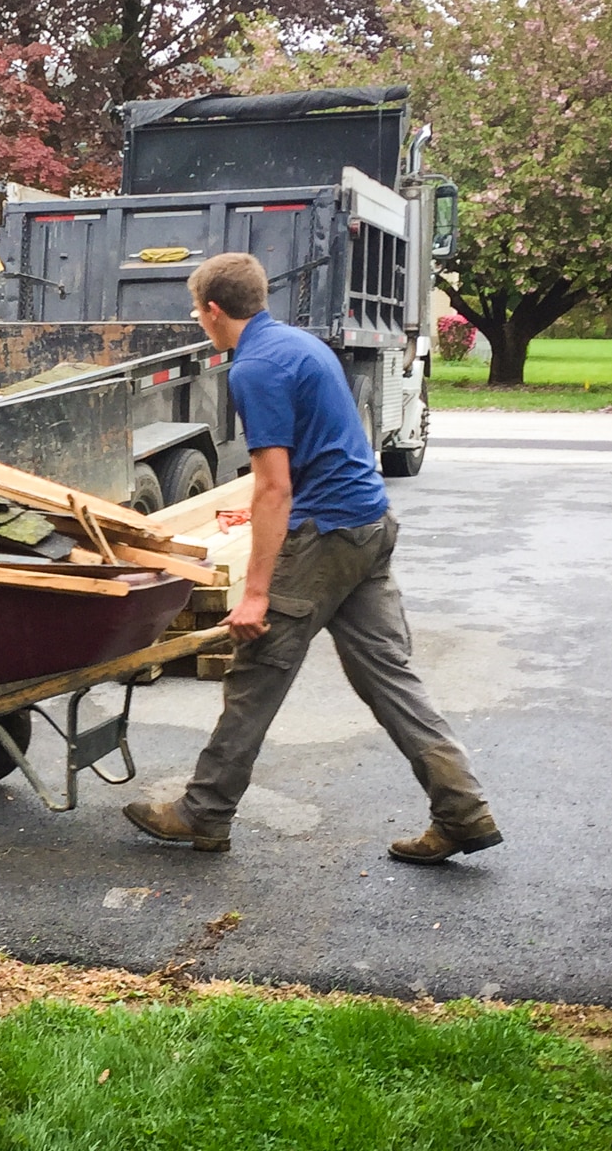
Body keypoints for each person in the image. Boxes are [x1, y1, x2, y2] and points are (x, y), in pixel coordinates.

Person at [122, 253, 501, 864]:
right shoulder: (300, 345)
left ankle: (204, 811)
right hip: (369, 525)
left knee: (256, 674)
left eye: (198, 310)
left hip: (326, 536)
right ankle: (463, 810)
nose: (198, 320)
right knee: (389, 678)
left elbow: (274, 486)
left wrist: (254, 594)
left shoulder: (256, 368)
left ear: (215, 311)